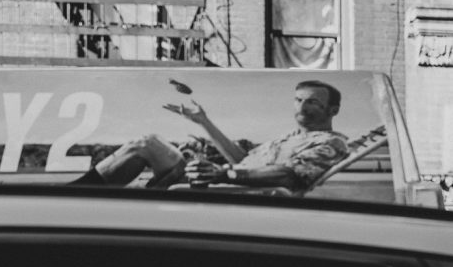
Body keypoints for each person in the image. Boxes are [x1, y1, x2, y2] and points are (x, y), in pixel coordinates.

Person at [64, 80, 350, 195]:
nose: (301, 107)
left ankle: (69, 196)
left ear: (333, 110)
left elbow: (289, 176)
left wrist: (223, 174)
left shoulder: (330, 142)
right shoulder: (286, 138)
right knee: (148, 142)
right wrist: (203, 122)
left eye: (311, 102)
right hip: (219, 181)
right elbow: (244, 160)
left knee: (148, 144)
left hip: (229, 194)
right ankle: (75, 195)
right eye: (298, 100)